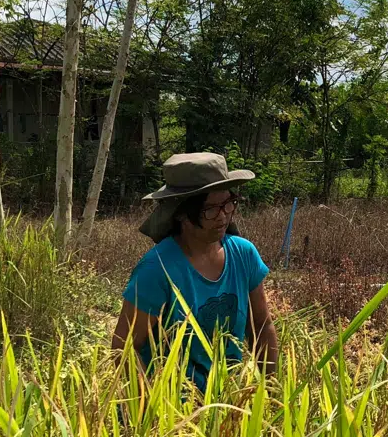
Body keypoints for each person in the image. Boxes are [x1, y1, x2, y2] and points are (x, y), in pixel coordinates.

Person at [112, 152, 278, 390]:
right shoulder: (157, 270)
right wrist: (150, 412)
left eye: (227, 204)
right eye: (210, 209)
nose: (222, 216)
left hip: (226, 401)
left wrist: (271, 391)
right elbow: (123, 350)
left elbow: (261, 326)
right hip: (170, 406)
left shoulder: (244, 254)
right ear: (180, 214)